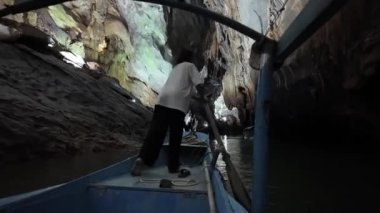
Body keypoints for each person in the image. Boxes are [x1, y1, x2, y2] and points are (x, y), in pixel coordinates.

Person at [131, 49, 205, 176]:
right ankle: (173, 166)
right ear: (190, 58)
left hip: (162, 101)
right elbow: (198, 84)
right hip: (177, 105)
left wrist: (197, 97)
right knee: (175, 137)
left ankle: (142, 160)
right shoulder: (190, 66)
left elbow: (184, 90)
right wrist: (204, 97)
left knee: (155, 134)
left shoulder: (176, 69)